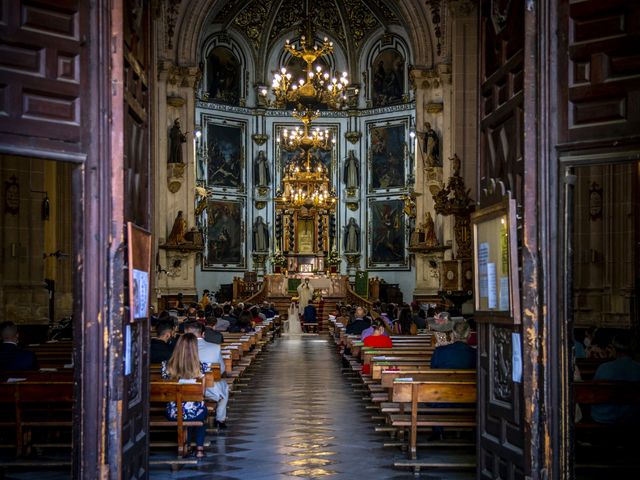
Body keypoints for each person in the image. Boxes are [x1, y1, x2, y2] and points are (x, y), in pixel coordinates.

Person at [161, 333, 208, 457]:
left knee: (191, 408)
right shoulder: (201, 367)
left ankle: (186, 445)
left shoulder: (166, 366)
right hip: (194, 412)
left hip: (173, 412)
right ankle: (199, 448)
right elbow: (202, 393)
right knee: (200, 411)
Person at [183, 321, 229, 429]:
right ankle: (220, 419)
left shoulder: (180, 348)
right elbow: (221, 370)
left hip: (185, 388)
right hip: (209, 389)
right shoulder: (215, 347)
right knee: (224, 388)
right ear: (203, 334)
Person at [591, 335, 640, 424]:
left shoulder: (603, 368)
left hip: (603, 416)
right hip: (632, 418)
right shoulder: (638, 368)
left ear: (613, 349)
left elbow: (594, 391)